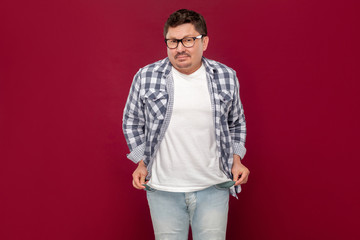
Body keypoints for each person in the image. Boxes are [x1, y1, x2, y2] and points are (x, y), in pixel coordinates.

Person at [122, 9, 250, 240]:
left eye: (189, 40)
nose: (180, 48)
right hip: (163, 190)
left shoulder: (225, 76)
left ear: (205, 41)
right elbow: (132, 120)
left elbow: (236, 122)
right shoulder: (146, 76)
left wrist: (236, 160)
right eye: (173, 41)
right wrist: (142, 162)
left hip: (214, 187)